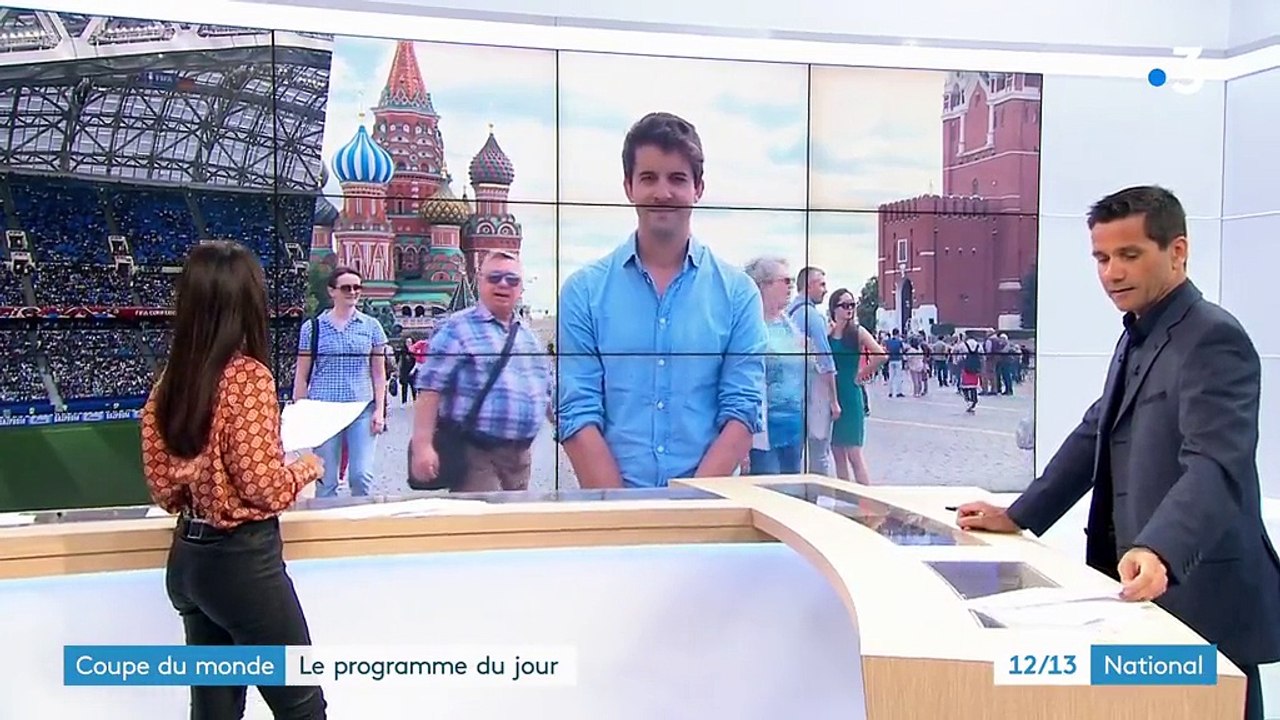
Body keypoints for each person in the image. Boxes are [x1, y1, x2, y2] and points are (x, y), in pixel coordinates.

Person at [954, 186, 1279, 720]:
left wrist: (1161, 550)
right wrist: (1020, 514)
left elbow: (1216, 464)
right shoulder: (1139, 332)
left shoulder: (1214, 338)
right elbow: (1096, 431)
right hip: (1142, 591)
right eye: (1102, 258)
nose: (1112, 273)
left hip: (1203, 596)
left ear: (1177, 251)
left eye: (1129, 255)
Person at [140, 240, 326, 719]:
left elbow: (163, 488)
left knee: (214, 712)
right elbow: (262, 487)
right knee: (302, 709)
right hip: (242, 565)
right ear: (246, 303)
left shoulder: (170, 381)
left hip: (188, 562)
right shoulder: (248, 378)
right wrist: (308, 466)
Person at [557, 111, 768, 488]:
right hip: (611, 508)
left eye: (677, 179)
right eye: (649, 178)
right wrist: (625, 512)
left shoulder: (739, 294)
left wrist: (686, 509)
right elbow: (576, 410)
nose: (663, 192)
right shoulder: (582, 292)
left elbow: (743, 412)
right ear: (628, 187)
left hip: (708, 510)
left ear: (698, 188)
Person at [292, 266, 388, 497]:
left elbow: (379, 373)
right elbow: (302, 374)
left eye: (357, 287)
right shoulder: (313, 328)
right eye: (346, 288)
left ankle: (360, 516)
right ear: (332, 291)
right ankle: (327, 518)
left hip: (361, 407)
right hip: (324, 408)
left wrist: (380, 410)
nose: (353, 292)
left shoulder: (371, 326)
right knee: (326, 479)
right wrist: (301, 410)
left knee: (361, 475)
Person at [826, 289, 884, 483]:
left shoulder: (857, 332)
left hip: (850, 394)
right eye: (845, 305)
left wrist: (861, 374)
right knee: (837, 454)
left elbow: (881, 355)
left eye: (852, 305)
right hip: (832, 393)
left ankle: (865, 498)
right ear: (834, 308)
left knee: (854, 454)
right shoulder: (828, 332)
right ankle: (845, 497)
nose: (849, 309)